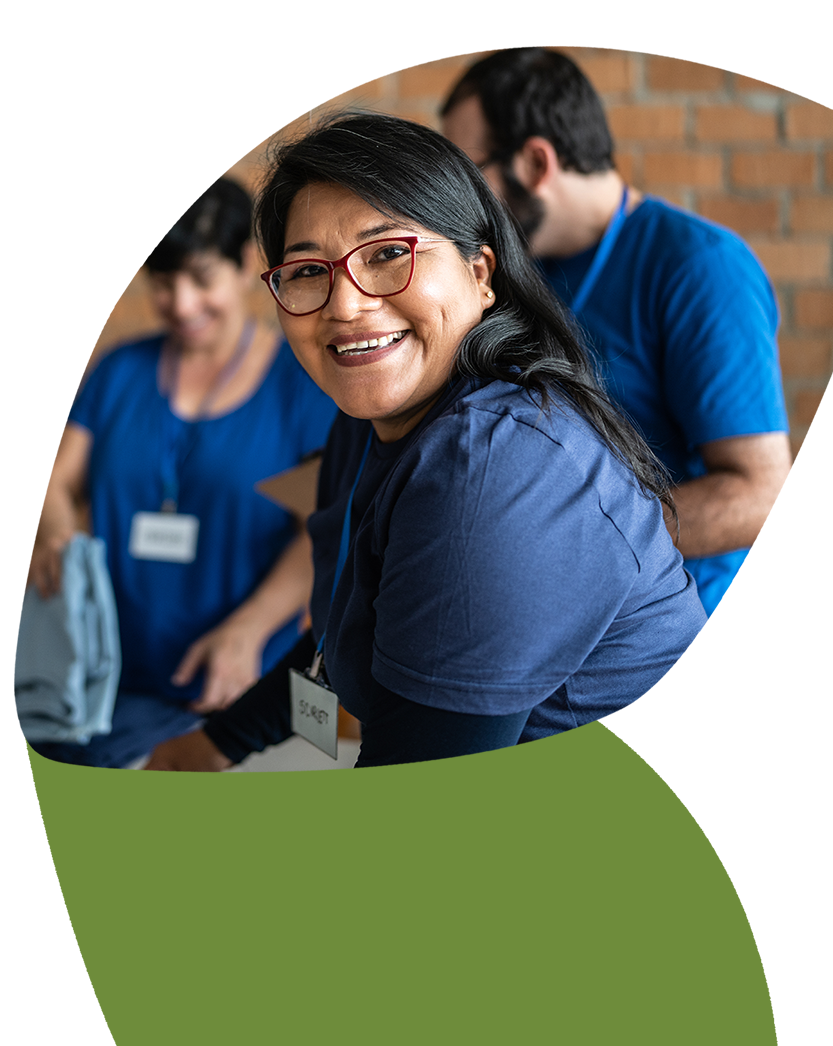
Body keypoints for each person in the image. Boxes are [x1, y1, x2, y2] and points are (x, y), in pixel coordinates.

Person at [144, 112, 707, 773]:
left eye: (388, 255)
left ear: (481, 274)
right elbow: (345, 641)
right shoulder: (365, 424)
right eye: (305, 271)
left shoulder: (499, 465)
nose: (346, 305)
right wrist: (221, 741)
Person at [440, 47, 793, 616]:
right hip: (558, 623)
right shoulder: (518, 268)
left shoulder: (700, 266)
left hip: (688, 636)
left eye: (470, 179)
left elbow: (762, 495)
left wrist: (565, 546)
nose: (460, 208)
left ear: (534, 163)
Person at [24, 177, 338, 767]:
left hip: (230, 683)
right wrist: (57, 530)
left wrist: (248, 629)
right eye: (164, 283)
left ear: (245, 263)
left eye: (202, 278)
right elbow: (57, 479)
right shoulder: (121, 370)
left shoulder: (300, 384)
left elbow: (322, 524)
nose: (182, 303)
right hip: (104, 670)